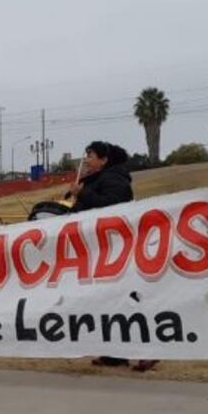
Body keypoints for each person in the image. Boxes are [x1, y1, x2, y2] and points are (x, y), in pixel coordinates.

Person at [67, 142, 150, 370]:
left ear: (104, 160)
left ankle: (148, 349)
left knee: (126, 301)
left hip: (116, 250)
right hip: (100, 250)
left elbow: (111, 207)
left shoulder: (115, 180)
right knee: (109, 301)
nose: (87, 160)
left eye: (91, 156)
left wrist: (83, 192)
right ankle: (116, 352)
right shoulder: (96, 180)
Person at [69, 141, 134, 213]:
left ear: (103, 160)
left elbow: (112, 205)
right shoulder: (100, 178)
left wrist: (81, 193)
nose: (85, 161)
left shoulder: (114, 178)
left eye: (89, 157)